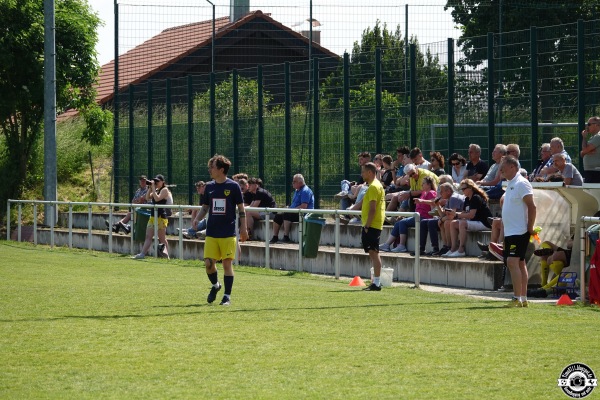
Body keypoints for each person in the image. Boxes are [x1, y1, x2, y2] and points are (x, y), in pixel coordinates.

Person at [193, 155, 248, 306]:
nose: (209, 170)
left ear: (221, 170)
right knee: (209, 264)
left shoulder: (233, 186)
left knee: (226, 265)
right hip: (212, 232)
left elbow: (241, 209)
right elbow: (205, 207)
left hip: (228, 233)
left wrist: (243, 228)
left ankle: (227, 296)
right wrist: (197, 218)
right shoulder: (209, 187)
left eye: (212, 167)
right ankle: (216, 285)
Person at [499, 156, 537, 307]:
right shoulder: (511, 184)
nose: (501, 171)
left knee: (512, 262)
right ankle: (523, 298)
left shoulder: (522, 183)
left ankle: (516, 298)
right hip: (510, 231)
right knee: (520, 263)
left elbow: (532, 206)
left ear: (513, 168)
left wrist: (530, 227)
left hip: (519, 231)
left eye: (503, 168)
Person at [379, 176, 437, 253]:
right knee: (398, 223)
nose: (421, 185)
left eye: (423, 183)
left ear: (429, 184)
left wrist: (421, 201)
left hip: (425, 217)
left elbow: (433, 203)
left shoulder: (432, 193)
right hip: (418, 216)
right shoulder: (423, 193)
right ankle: (387, 244)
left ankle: (402, 245)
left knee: (403, 222)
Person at [442, 178, 493, 257]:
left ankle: (461, 250)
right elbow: (464, 213)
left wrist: (456, 215)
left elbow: (471, 215)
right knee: (453, 223)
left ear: (470, 188)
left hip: (484, 223)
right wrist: (453, 213)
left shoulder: (476, 197)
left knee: (462, 223)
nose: (462, 191)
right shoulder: (467, 199)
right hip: (476, 222)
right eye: (461, 189)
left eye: (464, 189)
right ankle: (453, 248)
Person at [133, 174, 172, 259]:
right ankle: (142, 254)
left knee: (162, 238)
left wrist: (153, 188)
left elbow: (157, 198)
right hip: (153, 216)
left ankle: (167, 256)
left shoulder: (165, 190)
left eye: (158, 181)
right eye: (155, 181)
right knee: (148, 236)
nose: (156, 182)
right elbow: (147, 198)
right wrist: (150, 188)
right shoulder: (156, 189)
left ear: (163, 182)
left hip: (161, 217)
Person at [360, 162, 386, 291]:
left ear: (370, 172)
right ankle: (376, 282)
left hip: (372, 225)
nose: (362, 174)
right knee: (373, 253)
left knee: (374, 253)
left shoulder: (373, 187)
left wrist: (367, 226)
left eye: (363, 172)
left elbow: (372, 209)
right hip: (373, 225)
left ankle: (376, 283)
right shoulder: (375, 186)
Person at [270, 174, 314, 243]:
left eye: (294, 181)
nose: (292, 183)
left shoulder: (305, 191)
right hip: (295, 212)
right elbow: (295, 205)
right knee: (278, 215)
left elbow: (304, 206)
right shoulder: (297, 191)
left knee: (287, 214)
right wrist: (288, 208)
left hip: (303, 214)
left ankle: (286, 237)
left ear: (300, 182)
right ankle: (275, 237)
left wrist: (290, 210)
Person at [580, 116, 600, 183]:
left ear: (596, 125)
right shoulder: (593, 137)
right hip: (591, 171)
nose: (587, 126)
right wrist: (585, 152)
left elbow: (584, 150)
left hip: (595, 171)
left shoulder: (598, 136)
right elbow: (584, 151)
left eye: (589, 124)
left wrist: (584, 137)